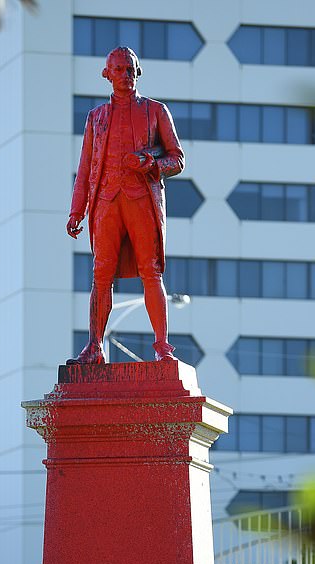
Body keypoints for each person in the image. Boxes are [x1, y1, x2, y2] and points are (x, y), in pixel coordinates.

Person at [67, 46, 184, 364]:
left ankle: (162, 348)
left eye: (130, 69)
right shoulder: (96, 118)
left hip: (141, 201)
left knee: (151, 271)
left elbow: (177, 159)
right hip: (105, 202)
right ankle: (94, 347)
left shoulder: (155, 111)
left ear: (138, 72)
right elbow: (85, 167)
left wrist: (150, 161)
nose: (126, 75)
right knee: (101, 276)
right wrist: (77, 211)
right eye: (118, 69)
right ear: (107, 74)